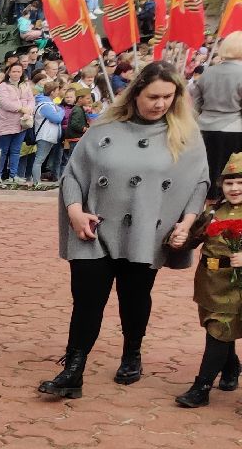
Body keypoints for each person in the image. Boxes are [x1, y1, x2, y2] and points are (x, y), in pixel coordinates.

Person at [39, 63, 210, 400]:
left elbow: (198, 184)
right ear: (135, 94)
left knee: (134, 298)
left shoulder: (185, 136)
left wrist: (187, 222)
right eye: (152, 96)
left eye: (167, 96)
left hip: (146, 232)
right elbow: (73, 173)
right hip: (94, 228)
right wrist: (75, 211)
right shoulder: (105, 128)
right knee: (87, 301)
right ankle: (74, 368)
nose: (159, 104)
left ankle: (132, 352)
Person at [171, 152, 242, 408]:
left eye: (240, 182)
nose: (234, 188)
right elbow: (194, 238)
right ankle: (232, 367)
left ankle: (201, 388)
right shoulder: (214, 212)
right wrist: (180, 239)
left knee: (218, 330)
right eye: (229, 182)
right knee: (219, 328)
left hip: (237, 285)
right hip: (212, 284)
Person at [188, 32, 242, 197]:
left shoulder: (208, 72)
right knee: (233, 176)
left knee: (208, 173)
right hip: (234, 130)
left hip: (205, 128)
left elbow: (195, 102)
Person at [0, 62, 33, 180]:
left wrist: (28, 111)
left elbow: (31, 100)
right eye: (14, 71)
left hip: (22, 123)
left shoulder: (25, 85)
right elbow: (4, 102)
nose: (16, 74)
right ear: (9, 72)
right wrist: (21, 108)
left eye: (19, 71)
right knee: (3, 151)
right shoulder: (3, 86)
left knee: (16, 151)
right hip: (6, 123)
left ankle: (13, 175)